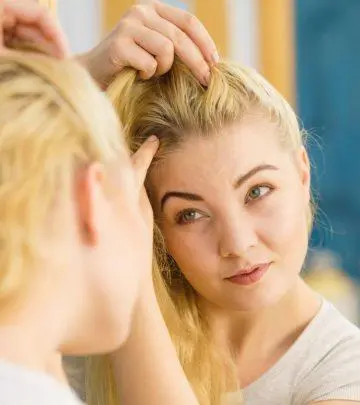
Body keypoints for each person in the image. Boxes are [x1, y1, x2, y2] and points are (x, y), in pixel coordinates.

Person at [86, 58, 360, 405]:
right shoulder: (88, 329)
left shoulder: (344, 376)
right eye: (191, 214)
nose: (237, 243)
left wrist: (135, 284)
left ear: (302, 173)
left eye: (257, 192)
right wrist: (79, 75)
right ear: (154, 228)